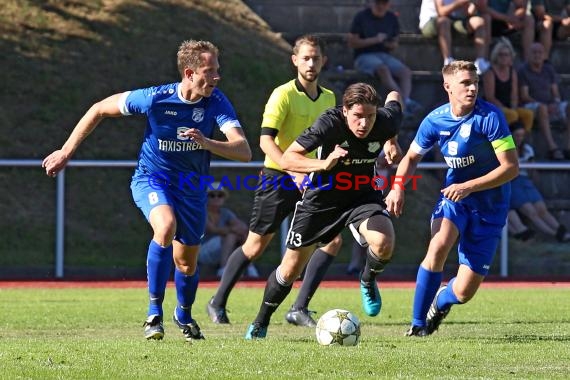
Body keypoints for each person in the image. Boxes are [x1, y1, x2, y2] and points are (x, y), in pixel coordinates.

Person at [42, 40, 252, 341]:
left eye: (218, 70)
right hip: (152, 179)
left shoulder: (216, 101)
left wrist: (208, 143)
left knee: (186, 262)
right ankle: (154, 314)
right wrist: (65, 151)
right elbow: (99, 108)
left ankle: (183, 313)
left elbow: (243, 151)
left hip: (192, 188)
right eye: (210, 71)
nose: (217, 77)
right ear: (190, 73)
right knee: (165, 226)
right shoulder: (156, 97)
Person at [245, 83, 403, 340]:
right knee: (289, 270)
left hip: (361, 196)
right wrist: (323, 164)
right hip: (322, 200)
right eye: (358, 117)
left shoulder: (385, 121)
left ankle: (367, 279)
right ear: (345, 111)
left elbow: (395, 97)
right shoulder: (329, 123)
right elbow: (287, 158)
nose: (364, 123)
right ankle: (260, 321)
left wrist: (392, 141)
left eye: (370, 116)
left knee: (384, 241)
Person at [206, 34, 343, 328]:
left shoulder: (330, 98)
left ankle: (298, 308)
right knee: (255, 246)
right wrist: (292, 170)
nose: (310, 63)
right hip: (279, 178)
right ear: (294, 60)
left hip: (311, 180)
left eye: (316, 58)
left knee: (331, 240)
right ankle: (217, 301)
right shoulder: (283, 94)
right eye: (305, 57)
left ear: (324, 61)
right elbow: (265, 142)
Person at [385, 60, 519, 337]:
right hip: (455, 199)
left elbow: (511, 167)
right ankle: (418, 325)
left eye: (475, 82)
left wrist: (469, 185)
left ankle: (442, 300)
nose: (472, 88)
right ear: (447, 86)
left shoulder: (490, 117)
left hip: (490, 208)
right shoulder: (435, 120)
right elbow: (410, 157)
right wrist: (397, 187)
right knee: (438, 245)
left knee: (464, 291)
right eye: (465, 83)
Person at [348, 0, 422, 117]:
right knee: (383, 70)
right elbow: (352, 42)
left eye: (384, 3)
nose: (381, 6)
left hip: (384, 55)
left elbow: (395, 41)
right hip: (363, 55)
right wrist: (375, 40)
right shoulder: (361, 17)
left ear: (388, 4)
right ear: (373, 3)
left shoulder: (391, 18)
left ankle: (406, 101)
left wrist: (391, 44)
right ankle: (404, 102)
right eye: (378, 3)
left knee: (405, 72)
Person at [509, 123, 570, 241]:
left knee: (542, 209)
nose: (520, 138)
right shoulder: (504, 147)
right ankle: (556, 235)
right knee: (531, 212)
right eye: (517, 135)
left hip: (526, 181)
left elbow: (532, 169)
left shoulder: (527, 149)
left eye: (522, 135)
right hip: (512, 182)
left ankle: (559, 230)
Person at [519, 42, 570, 160]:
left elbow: (555, 92)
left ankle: (568, 148)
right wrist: (545, 105)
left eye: (540, 52)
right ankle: (553, 148)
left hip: (550, 104)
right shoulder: (523, 70)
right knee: (542, 108)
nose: (537, 55)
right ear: (528, 54)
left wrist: (556, 103)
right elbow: (524, 95)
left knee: (568, 107)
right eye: (534, 52)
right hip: (530, 105)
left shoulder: (549, 69)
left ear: (544, 55)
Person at [198, 182, 256, 278]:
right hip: (201, 252)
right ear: (206, 198)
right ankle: (223, 269)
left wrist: (233, 230)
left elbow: (243, 228)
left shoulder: (225, 213)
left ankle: (249, 267)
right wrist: (232, 230)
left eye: (220, 195)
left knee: (242, 236)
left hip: (223, 250)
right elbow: (213, 229)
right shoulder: (202, 212)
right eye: (212, 195)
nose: (216, 198)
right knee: (232, 236)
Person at [418, 0, 492, 74]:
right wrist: (460, 2)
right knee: (444, 21)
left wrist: (474, 4)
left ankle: (480, 61)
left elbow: (468, 13)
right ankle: (448, 61)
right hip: (430, 21)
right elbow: (441, 12)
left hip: (453, 22)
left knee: (479, 21)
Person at [482, 37, 534, 131]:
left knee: (528, 114)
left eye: (506, 55)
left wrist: (513, 107)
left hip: (509, 106)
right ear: (496, 56)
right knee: (511, 115)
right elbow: (490, 97)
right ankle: (507, 144)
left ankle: (521, 143)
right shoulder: (490, 73)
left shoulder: (512, 72)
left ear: (511, 57)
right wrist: (504, 108)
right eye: (501, 55)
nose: (504, 57)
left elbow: (514, 95)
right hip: (492, 107)